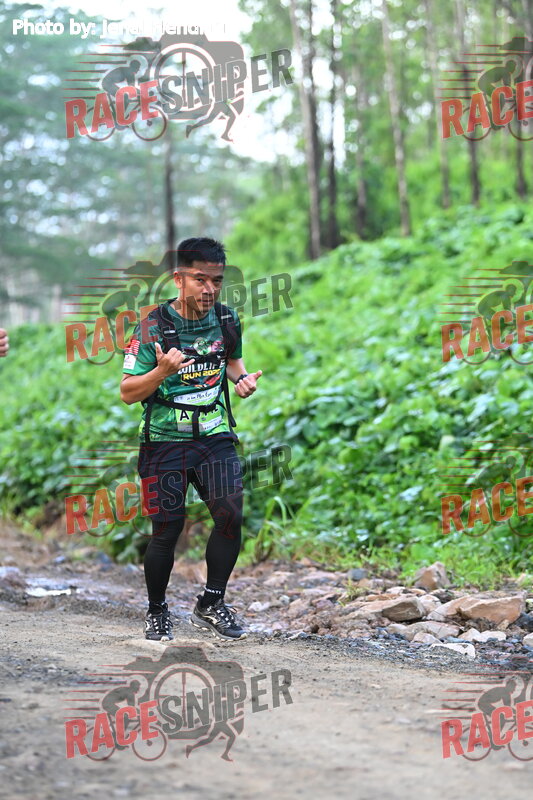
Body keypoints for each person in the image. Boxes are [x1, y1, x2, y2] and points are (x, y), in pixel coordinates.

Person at [120, 237, 262, 642]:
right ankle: (157, 611)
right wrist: (161, 372)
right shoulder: (151, 326)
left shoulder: (227, 319)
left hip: (214, 435)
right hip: (164, 440)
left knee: (230, 515)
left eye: (217, 281)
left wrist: (242, 380)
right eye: (200, 279)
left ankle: (211, 603)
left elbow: (230, 361)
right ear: (178, 278)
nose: (209, 289)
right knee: (167, 528)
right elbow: (128, 391)